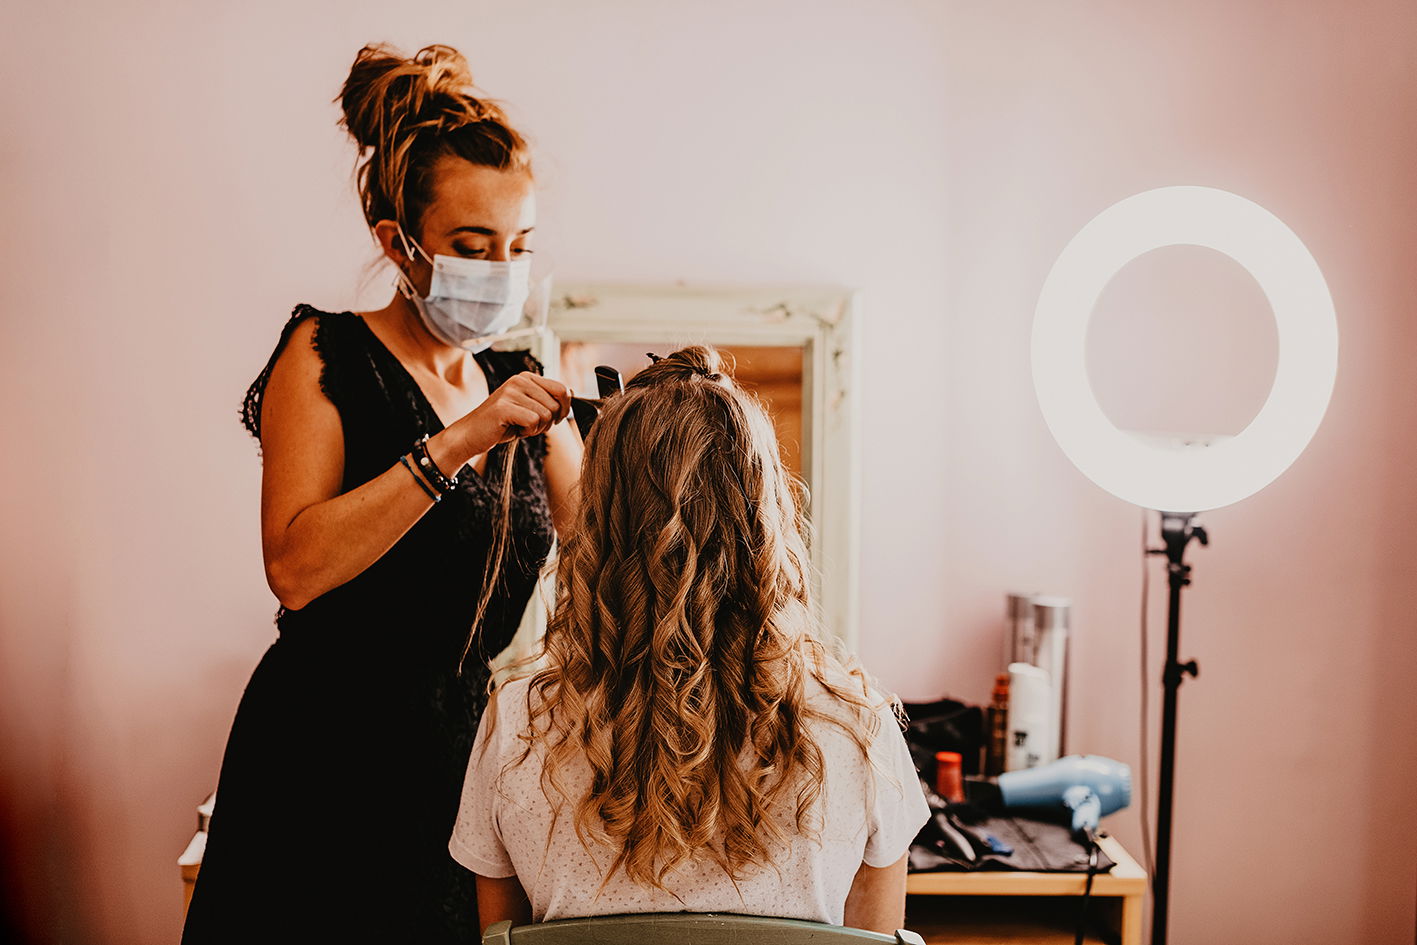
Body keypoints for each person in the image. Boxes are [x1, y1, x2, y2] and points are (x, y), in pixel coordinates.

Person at [181, 43, 580, 944]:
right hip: (324, 750)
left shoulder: (520, 376)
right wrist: (464, 436)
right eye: (471, 246)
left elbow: (601, 543)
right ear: (397, 242)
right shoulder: (324, 355)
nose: (499, 267)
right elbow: (295, 566)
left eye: (516, 247)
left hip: (460, 762)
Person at [450, 347, 930, 936]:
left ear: (599, 518)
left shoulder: (519, 724)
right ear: (763, 514)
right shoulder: (856, 729)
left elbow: (499, 938)